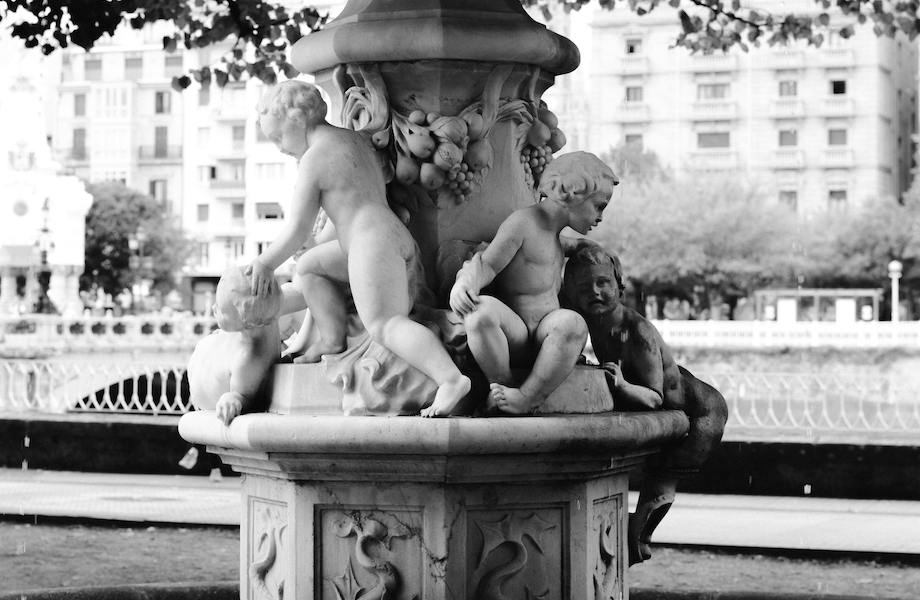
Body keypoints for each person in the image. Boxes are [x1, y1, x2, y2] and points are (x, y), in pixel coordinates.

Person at [247, 80, 471, 418]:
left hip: (372, 244)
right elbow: (346, 203)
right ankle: (333, 340)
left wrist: (265, 263)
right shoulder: (352, 140)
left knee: (386, 324)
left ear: (296, 120)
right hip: (384, 234)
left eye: (278, 137)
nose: (279, 147)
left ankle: (450, 379)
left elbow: (297, 229)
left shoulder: (314, 160)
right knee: (309, 267)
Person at [561, 240, 728, 565]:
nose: (594, 291)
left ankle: (637, 543)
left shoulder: (635, 332)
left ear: (619, 286)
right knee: (645, 496)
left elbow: (654, 398)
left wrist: (621, 385)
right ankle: (626, 550)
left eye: (603, 283)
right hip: (678, 396)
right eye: (584, 286)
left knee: (659, 487)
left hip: (703, 412)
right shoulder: (590, 317)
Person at [448, 151, 618, 415]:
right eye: (599, 206)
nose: (600, 217)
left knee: (572, 324)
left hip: (547, 335)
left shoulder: (556, 236)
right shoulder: (523, 223)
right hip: (514, 334)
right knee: (479, 313)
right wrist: (464, 283)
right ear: (572, 192)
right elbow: (489, 263)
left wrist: (598, 251)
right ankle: (501, 386)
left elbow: (576, 245)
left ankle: (528, 397)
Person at [187, 263, 305, 424]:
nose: (214, 308)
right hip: (206, 389)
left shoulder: (250, 352)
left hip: (207, 361)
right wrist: (234, 399)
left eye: (220, 310)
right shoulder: (248, 356)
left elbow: (303, 295)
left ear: (246, 323)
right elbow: (245, 396)